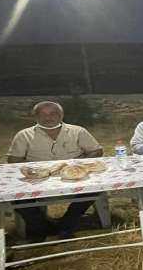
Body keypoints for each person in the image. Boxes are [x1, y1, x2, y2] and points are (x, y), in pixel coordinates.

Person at [7, 101, 104, 241]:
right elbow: (13, 159)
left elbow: (96, 150)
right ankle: (40, 226)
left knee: (95, 189)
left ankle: (67, 224)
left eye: (53, 114)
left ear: (61, 115)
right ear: (35, 116)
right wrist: (33, 170)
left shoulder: (78, 131)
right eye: (43, 114)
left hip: (72, 175)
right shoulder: (24, 135)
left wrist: (80, 165)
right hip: (38, 177)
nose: (48, 118)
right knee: (15, 196)